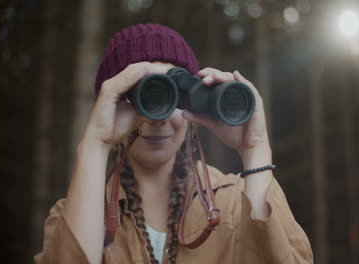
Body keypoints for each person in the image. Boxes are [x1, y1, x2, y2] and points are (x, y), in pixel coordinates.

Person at [34, 23, 313, 264]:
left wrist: (255, 150)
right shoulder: (74, 215)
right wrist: (95, 143)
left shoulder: (236, 202)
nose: (159, 117)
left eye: (173, 95)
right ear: (112, 104)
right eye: (148, 96)